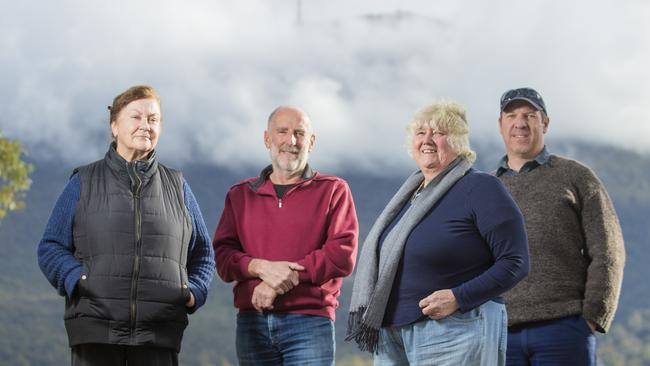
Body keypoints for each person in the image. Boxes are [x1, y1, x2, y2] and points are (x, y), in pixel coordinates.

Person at [37, 85, 215, 366]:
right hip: (95, 332)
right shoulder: (83, 182)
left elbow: (203, 252)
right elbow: (50, 247)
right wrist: (79, 280)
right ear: (114, 125)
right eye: (136, 117)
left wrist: (192, 291)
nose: (146, 125)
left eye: (153, 119)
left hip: (160, 333)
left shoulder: (178, 186)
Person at [347, 101, 530, 365]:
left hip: (455, 328)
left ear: (458, 142)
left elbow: (516, 262)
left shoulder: (480, 187)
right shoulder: (410, 196)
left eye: (439, 132)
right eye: (421, 133)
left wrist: (459, 297)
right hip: (392, 333)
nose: (428, 140)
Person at [213, 105, 359, 366]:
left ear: (311, 142)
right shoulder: (240, 195)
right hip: (252, 322)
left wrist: (283, 279)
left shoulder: (334, 190)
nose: (291, 141)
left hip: (310, 322)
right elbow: (223, 259)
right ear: (267, 138)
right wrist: (259, 267)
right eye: (282, 131)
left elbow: (341, 255)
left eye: (300, 133)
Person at [495, 87, 625, 365]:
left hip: (564, 328)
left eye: (530, 115)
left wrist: (593, 316)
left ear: (545, 123)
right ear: (501, 125)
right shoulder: (487, 187)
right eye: (512, 115)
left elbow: (608, 250)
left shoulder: (576, 176)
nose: (521, 122)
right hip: (499, 334)